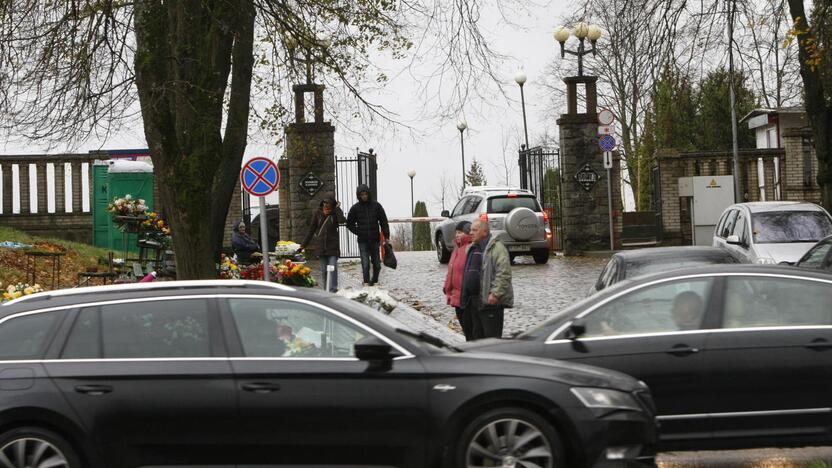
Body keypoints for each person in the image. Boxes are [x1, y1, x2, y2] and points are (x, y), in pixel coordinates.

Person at [464, 219, 513, 339]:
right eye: (470, 230)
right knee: (477, 340)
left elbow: (504, 273)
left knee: (491, 340)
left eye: (474, 230)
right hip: (475, 303)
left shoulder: (497, 248)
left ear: (485, 232)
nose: (471, 232)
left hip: (491, 304)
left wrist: (495, 294)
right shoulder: (472, 247)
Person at [300, 197, 346, 293]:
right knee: (324, 270)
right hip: (321, 247)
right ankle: (326, 290)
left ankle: (333, 290)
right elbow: (311, 230)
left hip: (333, 246)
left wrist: (337, 209)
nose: (326, 207)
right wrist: (303, 245)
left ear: (332, 205)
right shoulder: (318, 214)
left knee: (332, 268)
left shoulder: (335, 214)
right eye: (325, 205)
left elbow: (342, 220)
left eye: (328, 205)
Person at [346, 184, 390, 286]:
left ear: (368, 194)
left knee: (377, 265)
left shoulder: (377, 206)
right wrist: (359, 232)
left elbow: (384, 221)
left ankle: (374, 281)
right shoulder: (355, 208)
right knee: (365, 265)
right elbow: (350, 224)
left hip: (375, 239)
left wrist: (386, 236)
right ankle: (366, 283)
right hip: (363, 241)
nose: (364, 196)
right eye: (362, 194)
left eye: (365, 194)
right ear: (359, 196)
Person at [443, 221, 474, 340]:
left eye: (460, 232)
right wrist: (446, 287)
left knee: (470, 330)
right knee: (466, 330)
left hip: (466, 297)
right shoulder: (456, 249)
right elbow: (451, 270)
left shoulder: (470, 249)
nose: (457, 235)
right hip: (456, 297)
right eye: (456, 232)